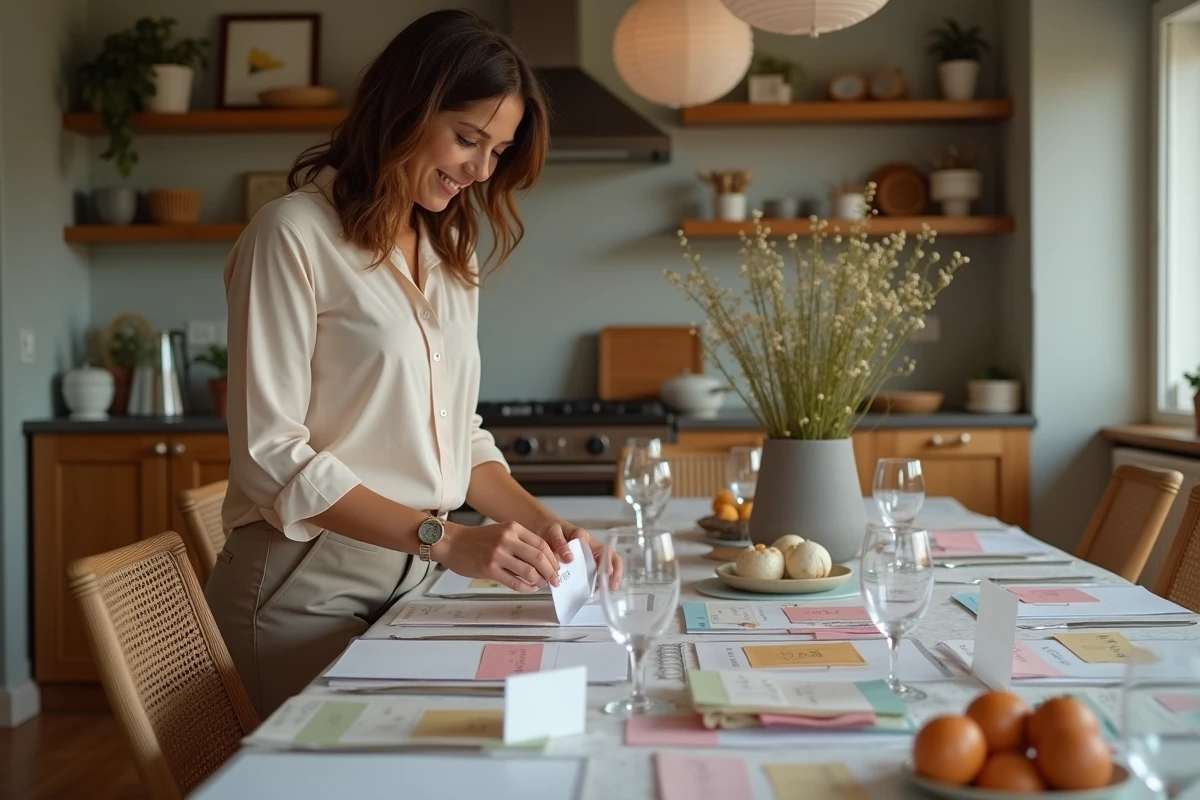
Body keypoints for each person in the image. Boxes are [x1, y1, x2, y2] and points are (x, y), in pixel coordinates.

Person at [205, 8, 606, 718]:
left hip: (415, 572)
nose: (481, 171)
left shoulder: (453, 258)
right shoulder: (291, 235)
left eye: (498, 151)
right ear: (405, 108)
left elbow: (461, 443)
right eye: (468, 139)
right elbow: (270, 455)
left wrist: (550, 528)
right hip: (302, 582)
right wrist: (447, 539)